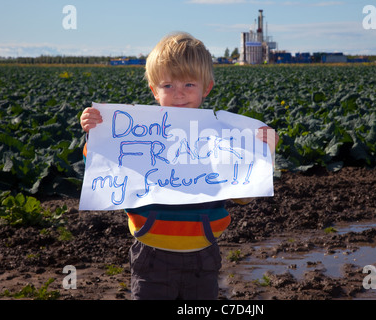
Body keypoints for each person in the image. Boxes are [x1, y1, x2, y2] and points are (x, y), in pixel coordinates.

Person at [80, 32, 279, 300]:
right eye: (168, 86)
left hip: (204, 255)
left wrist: (264, 153)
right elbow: (108, 167)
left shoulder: (222, 137)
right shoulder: (138, 131)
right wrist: (95, 135)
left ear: (206, 88)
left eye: (188, 84)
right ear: (154, 90)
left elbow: (242, 196)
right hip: (151, 253)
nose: (179, 94)